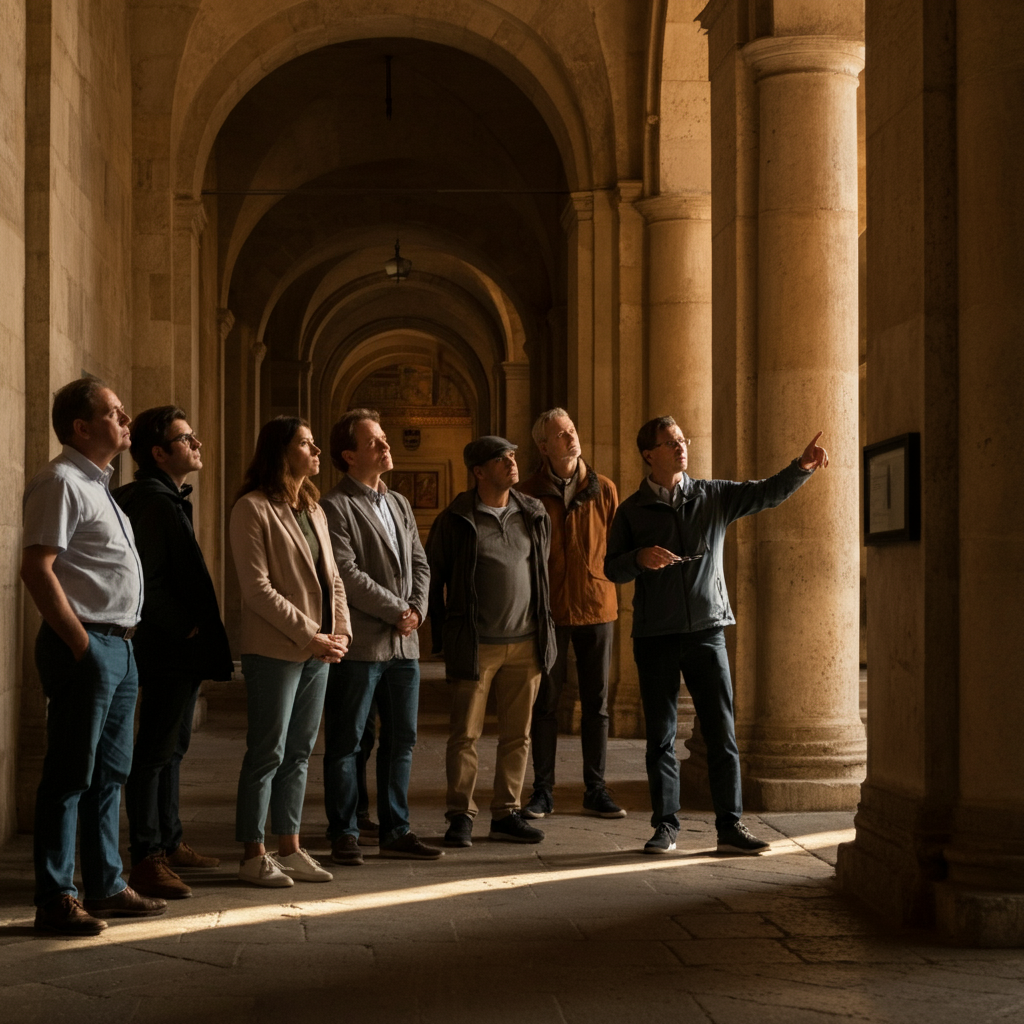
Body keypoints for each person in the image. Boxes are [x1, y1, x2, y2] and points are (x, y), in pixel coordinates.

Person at [604, 417, 829, 855]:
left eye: (682, 440)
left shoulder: (712, 495)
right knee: (661, 738)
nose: (681, 447)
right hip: (655, 635)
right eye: (671, 443)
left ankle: (731, 826)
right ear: (650, 454)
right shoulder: (631, 510)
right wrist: (639, 557)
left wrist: (800, 467)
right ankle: (665, 826)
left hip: (708, 630)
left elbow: (764, 492)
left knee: (722, 733)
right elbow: (611, 567)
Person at [21, 378, 167, 935]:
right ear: (81, 427)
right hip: (85, 645)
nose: (126, 417)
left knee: (111, 773)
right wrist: (81, 645)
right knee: (70, 775)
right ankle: (56, 896)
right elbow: (37, 568)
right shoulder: (61, 482)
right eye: (113, 411)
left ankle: (105, 884)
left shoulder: (101, 485)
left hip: (120, 647)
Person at [113, 406, 234, 899]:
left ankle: (169, 838)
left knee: (174, 747)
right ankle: (146, 856)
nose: (197, 445)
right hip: (165, 648)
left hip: (177, 649)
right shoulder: (153, 501)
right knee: (155, 752)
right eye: (187, 439)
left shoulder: (165, 497)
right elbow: (146, 578)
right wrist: (184, 627)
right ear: (159, 452)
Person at [230, 416, 352, 886]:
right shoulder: (252, 509)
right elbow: (256, 589)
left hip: (319, 649)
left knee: (300, 751)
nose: (317, 450)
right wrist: (310, 633)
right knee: (268, 751)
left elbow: (333, 579)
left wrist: (339, 633)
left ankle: (291, 845)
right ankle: (252, 852)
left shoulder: (314, 510)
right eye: (306, 443)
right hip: (276, 649)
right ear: (282, 452)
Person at [319, 409, 439, 864]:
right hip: (363, 642)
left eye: (384, 438)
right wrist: (398, 610)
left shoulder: (400, 503)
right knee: (349, 740)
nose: (386, 446)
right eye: (375, 442)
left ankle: (396, 828)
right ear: (349, 456)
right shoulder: (334, 506)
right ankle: (345, 830)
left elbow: (420, 562)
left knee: (402, 739)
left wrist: (419, 609)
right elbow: (345, 574)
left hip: (405, 644)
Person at [427, 435, 557, 847]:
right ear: (479, 471)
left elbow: (540, 572)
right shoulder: (455, 519)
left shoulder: (533, 513)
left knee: (518, 735)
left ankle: (506, 813)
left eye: (513, 456)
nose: (512, 463)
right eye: (501, 459)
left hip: (526, 642)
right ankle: (460, 815)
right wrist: (442, 637)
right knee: (465, 734)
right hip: (477, 643)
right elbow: (434, 578)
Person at [517, 409, 624, 820]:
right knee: (545, 702)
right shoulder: (526, 493)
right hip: (549, 612)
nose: (571, 438)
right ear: (544, 446)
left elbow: (616, 544)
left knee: (597, 704)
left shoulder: (605, 490)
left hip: (598, 606)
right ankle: (542, 791)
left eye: (572, 430)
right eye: (561, 435)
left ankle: (595, 788)